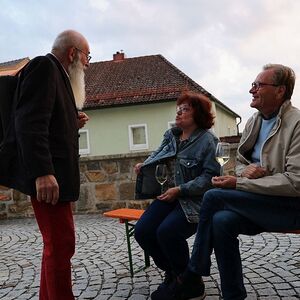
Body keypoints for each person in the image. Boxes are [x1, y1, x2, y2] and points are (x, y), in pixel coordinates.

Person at [167, 64, 300, 300]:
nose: (252, 90)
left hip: (289, 205)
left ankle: (193, 271)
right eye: (253, 84)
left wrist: (238, 184)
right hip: (257, 202)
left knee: (213, 196)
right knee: (221, 220)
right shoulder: (253, 122)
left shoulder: (297, 123)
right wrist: (245, 170)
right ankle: (233, 296)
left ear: (280, 91)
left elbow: (295, 183)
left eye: (258, 85)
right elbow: (239, 161)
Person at [0, 30, 90, 299]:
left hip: (56, 178)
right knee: (61, 244)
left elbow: (46, 122)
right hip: (50, 178)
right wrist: (43, 172)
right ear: (72, 53)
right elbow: (29, 122)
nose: (88, 63)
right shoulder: (44, 66)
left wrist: (71, 121)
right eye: (87, 56)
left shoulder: (58, 76)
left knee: (58, 244)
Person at [134, 91, 220, 300]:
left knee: (167, 232)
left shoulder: (209, 141)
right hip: (169, 196)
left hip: (194, 201)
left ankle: (190, 284)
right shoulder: (171, 135)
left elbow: (210, 177)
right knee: (143, 231)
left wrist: (180, 190)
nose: (179, 113)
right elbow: (157, 154)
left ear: (198, 114)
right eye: (178, 109)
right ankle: (176, 273)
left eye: (185, 109)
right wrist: (144, 165)